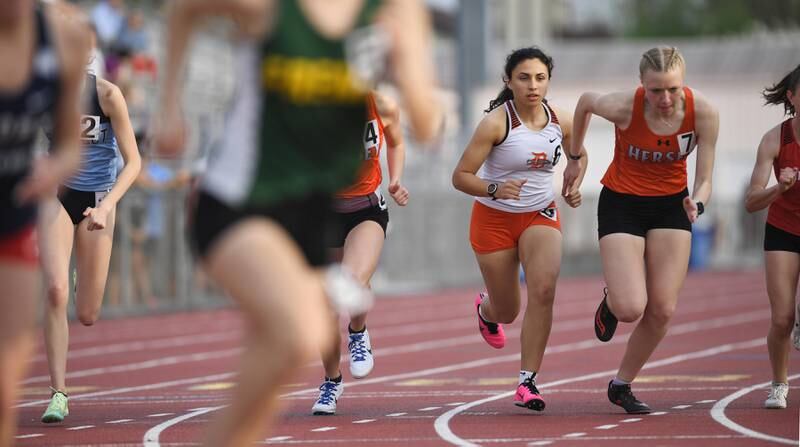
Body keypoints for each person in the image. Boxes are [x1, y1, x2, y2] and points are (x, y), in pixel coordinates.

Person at [155, 0, 441, 445]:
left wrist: (402, 64)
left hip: (311, 213)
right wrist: (167, 107)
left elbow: (425, 125)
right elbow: (184, 10)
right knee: (299, 330)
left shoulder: (398, 12)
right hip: (240, 198)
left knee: (276, 364)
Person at [563, 46, 719, 414]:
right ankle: (614, 301)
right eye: (655, 90)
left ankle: (621, 385)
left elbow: (706, 178)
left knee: (662, 309)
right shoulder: (623, 107)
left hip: (672, 205)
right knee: (632, 306)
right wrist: (574, 157)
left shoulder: (704, 113)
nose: (665, 99)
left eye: (673, 89)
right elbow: (585, 102)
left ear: (684, 84)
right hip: (623, 201)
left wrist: (697, 202)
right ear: (641, 85)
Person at [452, 47, 587, 411]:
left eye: (540, 78)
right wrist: (494, 187)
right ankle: (486, 312)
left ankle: (528, 381)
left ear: (549, 82)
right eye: (524, 78)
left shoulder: (562, 118)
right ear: (509, 82)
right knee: (508, 310)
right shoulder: (497, 123)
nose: (533, 85)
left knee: (543, 289)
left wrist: (574, 180)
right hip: (493, 220)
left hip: (540, 213)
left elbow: (578, 154)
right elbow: (460, 177)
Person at [38, 34, 142, 421]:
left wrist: (107, 206)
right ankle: (58, 393)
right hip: (56, 196)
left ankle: (85, 268)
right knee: (54, 290)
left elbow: (134, 163)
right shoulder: (42, 92)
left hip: (99, 199)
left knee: (87, 314)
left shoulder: (108, 95)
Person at [0, 0, 87, 443]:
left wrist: (52, 169)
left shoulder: (64, 40)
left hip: (15, 217)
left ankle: (58, 391)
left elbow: (71, 146)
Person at [312, 90, 408, 415]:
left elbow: (395, 141)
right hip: (322, 213)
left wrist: (395, 180)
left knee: (349, 283)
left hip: (365, 210)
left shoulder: (380, 104)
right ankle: (331, 380)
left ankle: (357, 332)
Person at [744, 63, 800, 410]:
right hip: (784, 230)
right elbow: (751, 201)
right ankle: (779, 384)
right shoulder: (774, 140)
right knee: (782, 318)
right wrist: (780, 187)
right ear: (792, 98)